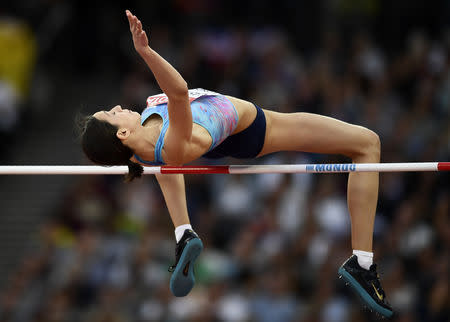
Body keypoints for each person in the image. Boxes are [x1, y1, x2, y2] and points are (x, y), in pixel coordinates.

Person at [79, 10, 393, 317]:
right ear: (121, 131)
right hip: (253, 129)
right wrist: (145, 51)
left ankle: (184, 233)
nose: (117, 106)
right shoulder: (166, 143)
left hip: (207, 134)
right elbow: (177, 92)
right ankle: (362, 262)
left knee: (163, 162)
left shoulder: (138, 151)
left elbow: (151, 153)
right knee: (367, 144)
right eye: (110, 112)